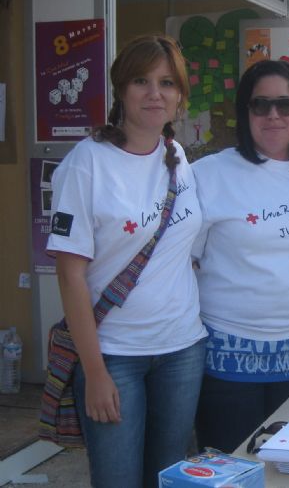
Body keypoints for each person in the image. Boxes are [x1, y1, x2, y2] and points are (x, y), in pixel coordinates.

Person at [46, 35, 207, 488]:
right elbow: (70, 274)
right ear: (121, 89)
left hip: (182, 350)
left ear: (180, 97)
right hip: (114, 356)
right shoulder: (86, 164)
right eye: (142, 80)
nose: (155, 93)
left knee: (169, 475)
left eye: (167, 83)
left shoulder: (178, 160)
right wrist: (94, 372)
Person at [192, 60, 289, 453]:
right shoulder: (208, 175)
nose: (273, 115)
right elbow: (186, 263)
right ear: (245, 112)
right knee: (231, 470)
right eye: (261, 105)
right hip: (227, 361)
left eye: (285, 105)